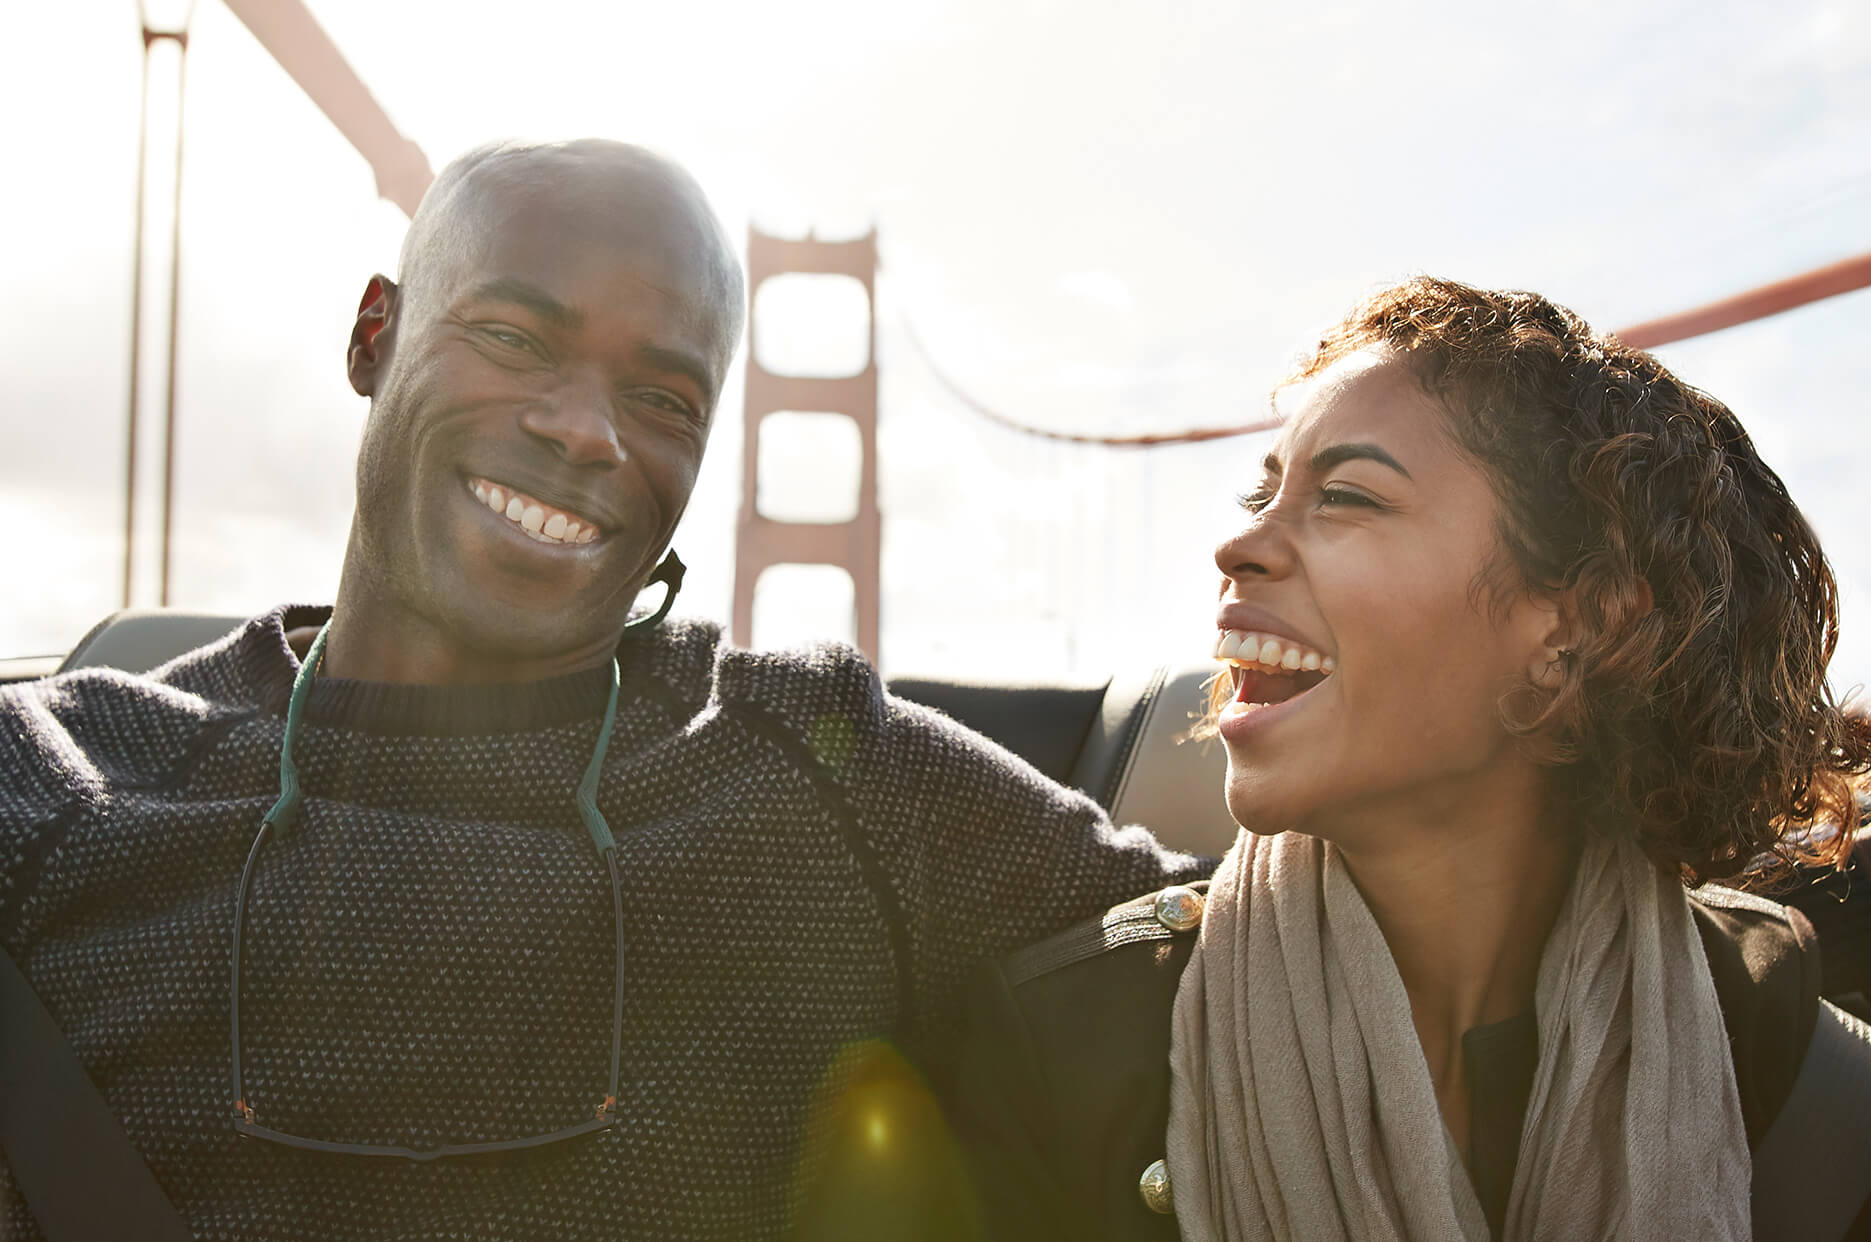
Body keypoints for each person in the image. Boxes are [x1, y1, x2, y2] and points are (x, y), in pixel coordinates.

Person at [0, 138, 1210, 1241]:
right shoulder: (53, 784)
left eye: (662, 399)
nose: (587, 432)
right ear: (375, 333)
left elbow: (1286, 981)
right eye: (518, 339)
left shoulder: (840, 771)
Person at [946, 277, 1871, 1242]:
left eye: (1347, 497)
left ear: (1573, 625)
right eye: (1263, 493)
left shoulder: (1768, 1029)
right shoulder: (1058, 1050)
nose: (1236, 545)